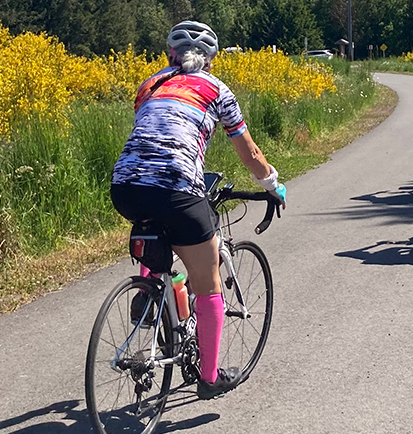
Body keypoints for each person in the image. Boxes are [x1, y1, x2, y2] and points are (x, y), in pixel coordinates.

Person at [110, 20, 287, 398]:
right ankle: (209, 378)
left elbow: (155, 136)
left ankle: (150, 289)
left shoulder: (150, 85)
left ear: (170, 55)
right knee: (208, 285)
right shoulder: (217, 89)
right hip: (177, 186)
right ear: (209, 60)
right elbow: (249, 152)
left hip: (124, 184)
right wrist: (271, 184)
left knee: (156, 222)